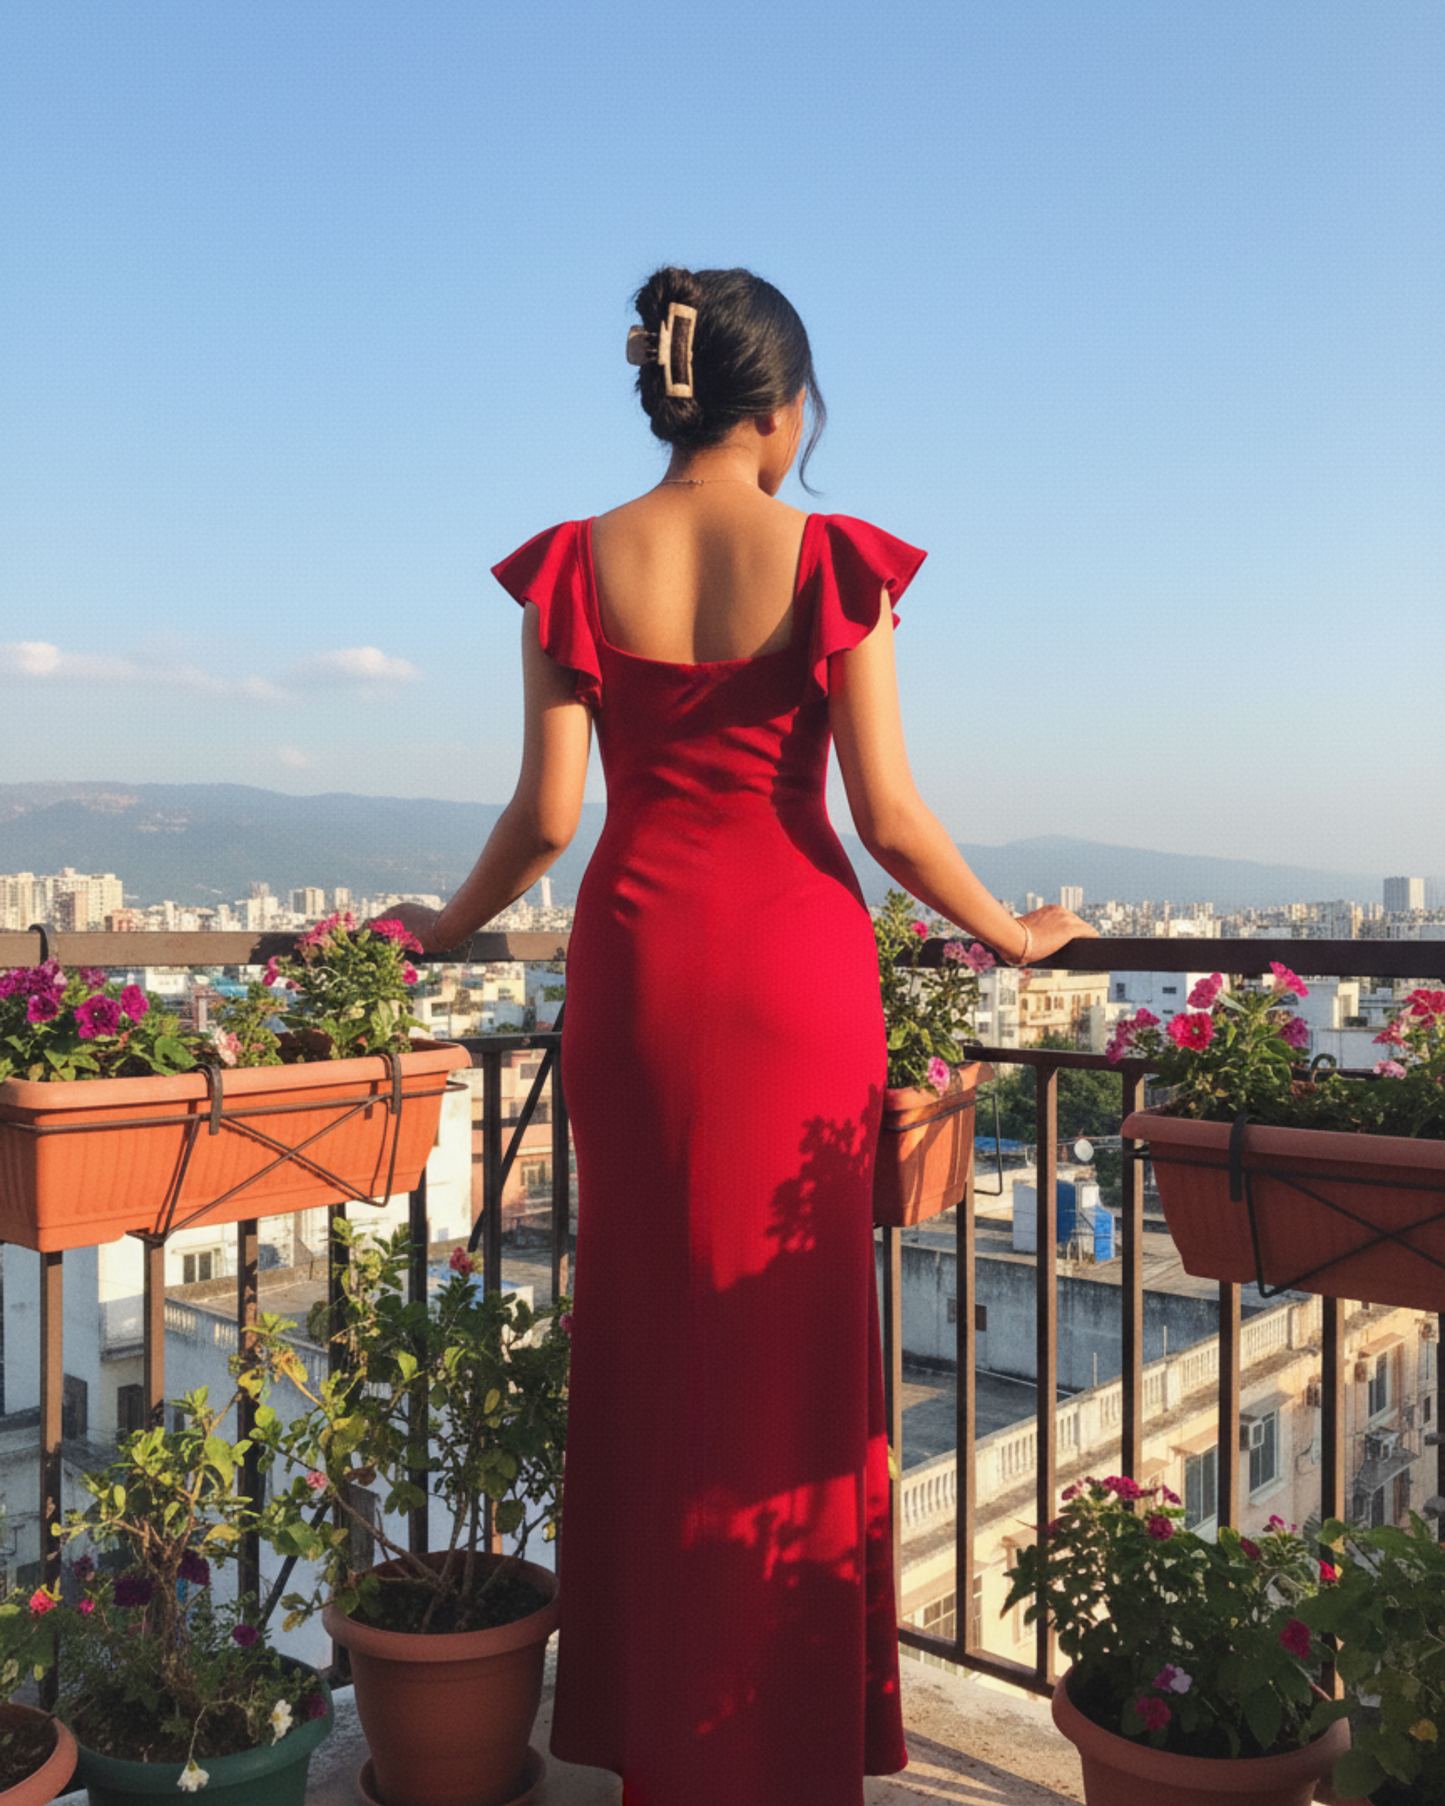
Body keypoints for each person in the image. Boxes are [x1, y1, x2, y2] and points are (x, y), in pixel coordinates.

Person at [387, 266, 1094, 1806]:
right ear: (778, 410)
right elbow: (892, 819)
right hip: (795, 978)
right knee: (793, 1352)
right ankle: (779, 1746)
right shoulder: (834, 558)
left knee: (645, 1344)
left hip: (638, 972)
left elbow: (547, 819)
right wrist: (1013, 933)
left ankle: (652, 1733)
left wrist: (430, 936)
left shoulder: (579, 562)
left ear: (669, 393)